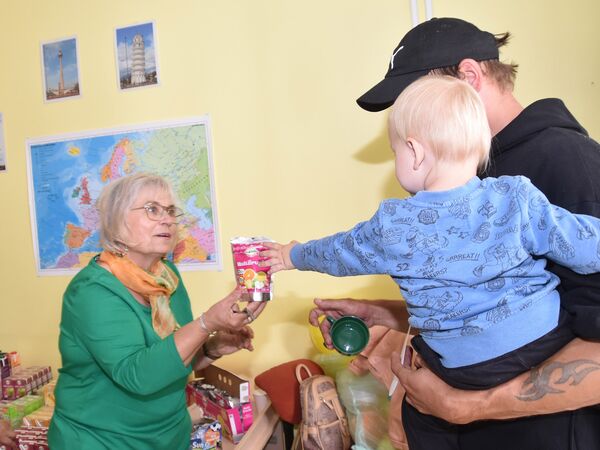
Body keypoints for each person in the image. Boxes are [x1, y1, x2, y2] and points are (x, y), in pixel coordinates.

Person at [262, 75, 600, 447]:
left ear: (415, 152)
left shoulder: (394, 225)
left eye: (395, 153)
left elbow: (339, 252)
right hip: (544, 341)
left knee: (416, 380)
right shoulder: (514, 194)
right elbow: (582, 245)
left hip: (466, 369)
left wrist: (291, 254)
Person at [48, 173, 266, 450]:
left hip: (168, 438)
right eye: (152, 209)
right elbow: (138, 376)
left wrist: (211, 348)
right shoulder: (92, 291)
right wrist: (207, 322)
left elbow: (173, 363)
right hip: (102, 441)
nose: (167, 220)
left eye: (171, 211)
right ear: (116, 223)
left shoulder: (167, 277)